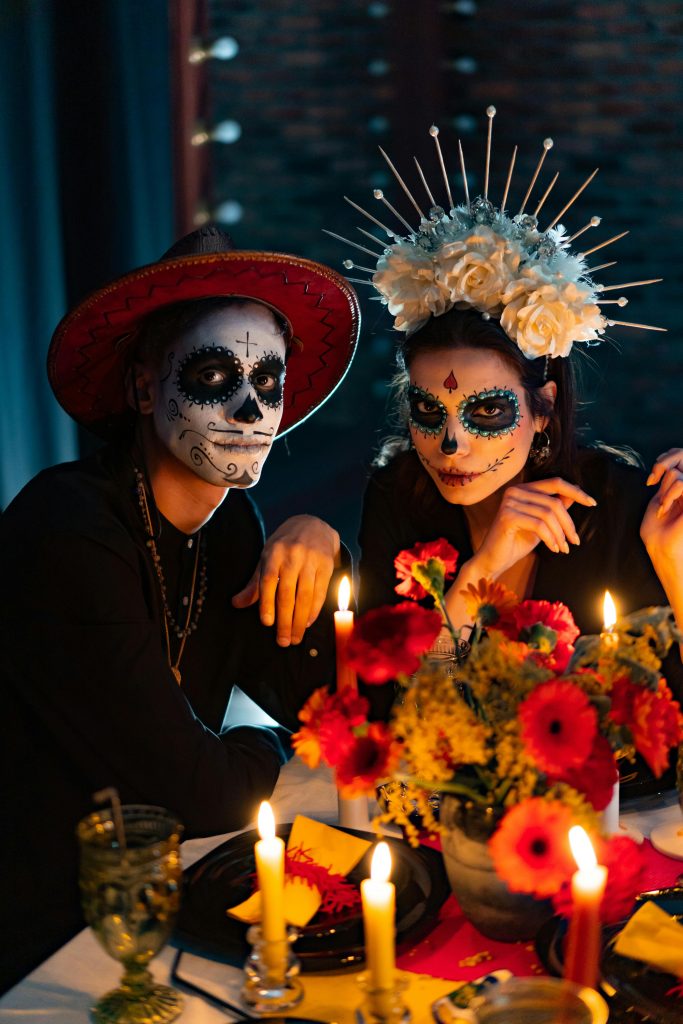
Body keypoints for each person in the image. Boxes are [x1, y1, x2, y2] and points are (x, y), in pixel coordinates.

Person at [0, 225, 360, 991]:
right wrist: (264, 752)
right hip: (42, 933)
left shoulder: (229, 523)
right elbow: (204, 794)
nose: (246, 407)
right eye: (210, 374)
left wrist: (326, 547)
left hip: (158, 898)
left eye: (269, 381)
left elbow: (330, 702)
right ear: (140, 387)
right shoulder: (67, 530)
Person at [342, 117, 683, 714]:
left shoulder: (615, 506)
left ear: (544, 407)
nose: (451, 445)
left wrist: (674, 560)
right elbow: (391, 706)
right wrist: (484, 568)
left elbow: (667, 711)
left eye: (487, 411)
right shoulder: (397, 496)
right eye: (428, 411)